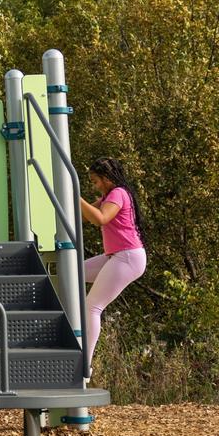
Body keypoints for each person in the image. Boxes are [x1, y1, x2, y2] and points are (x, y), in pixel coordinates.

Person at [77, 157, 146, 376]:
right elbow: (86, 217)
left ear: (107, 179)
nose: (94, 185)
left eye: (96, 181)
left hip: (127, 257)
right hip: (117, 256)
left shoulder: (118, 193)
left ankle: (84, 364)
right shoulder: (109, 194)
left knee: (92, 306)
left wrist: (75, 196)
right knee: (73, 274)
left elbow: (100, 219)